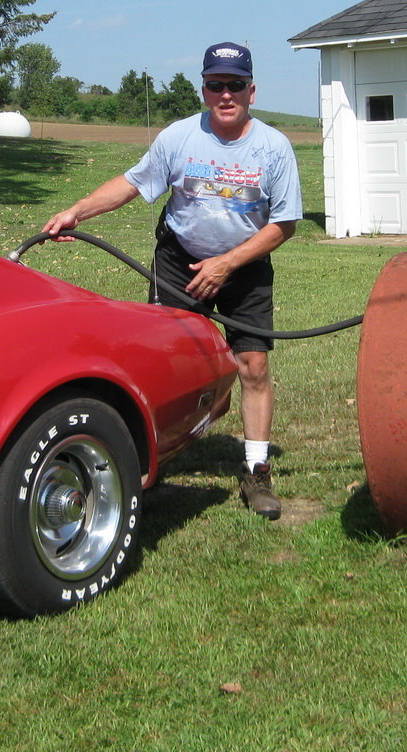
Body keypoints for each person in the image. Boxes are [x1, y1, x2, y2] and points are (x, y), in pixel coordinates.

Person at [42, 41, 302, 519]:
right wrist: (76, 211)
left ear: (252, 91)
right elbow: (132, 183)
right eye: (215, 84)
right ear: (203, 88)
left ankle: (257, 471)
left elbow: (283, 224)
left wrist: (228, 264)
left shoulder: (273, 147)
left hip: (243, 268)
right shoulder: (179, 137)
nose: (226, 94)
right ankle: (153, 462)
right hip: (179, 262)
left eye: (236, 85)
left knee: (253, 366)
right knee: (168, 362)